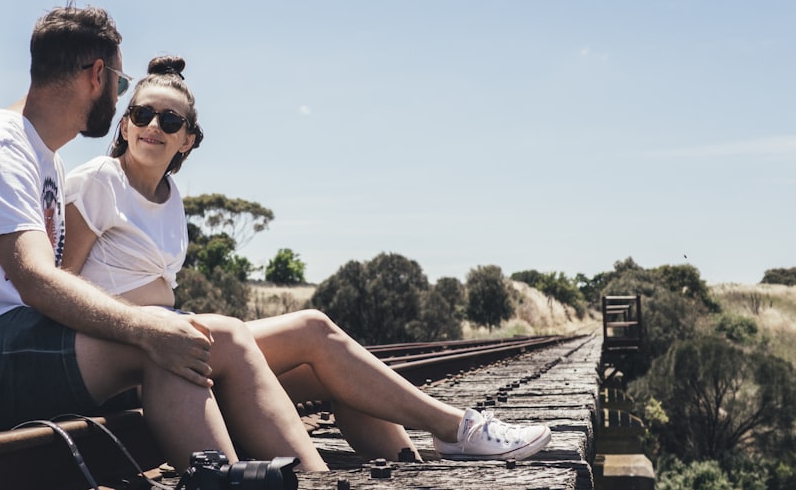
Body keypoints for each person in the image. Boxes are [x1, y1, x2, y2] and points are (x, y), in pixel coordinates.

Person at [61, 55, 552, 466]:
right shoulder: (98, 181)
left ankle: (409, 468)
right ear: (124, 124)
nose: (153, 127)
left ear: (187, 139)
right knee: (314, 328)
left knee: (333, 374)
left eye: (170, 121)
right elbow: (61, 286)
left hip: (183, 338)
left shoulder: (170, 198)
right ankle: (453, 429)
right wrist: (139, 334)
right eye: (143, 115)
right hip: (134, 353)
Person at [0, 4, 328, 473]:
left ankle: (307, 488)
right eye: (123, 86)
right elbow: (37, 280)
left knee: (199, 338)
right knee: (179, 338)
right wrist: (144, 326)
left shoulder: (44, 157)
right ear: (97, 76)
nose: (120, 96)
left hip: (6, 341)